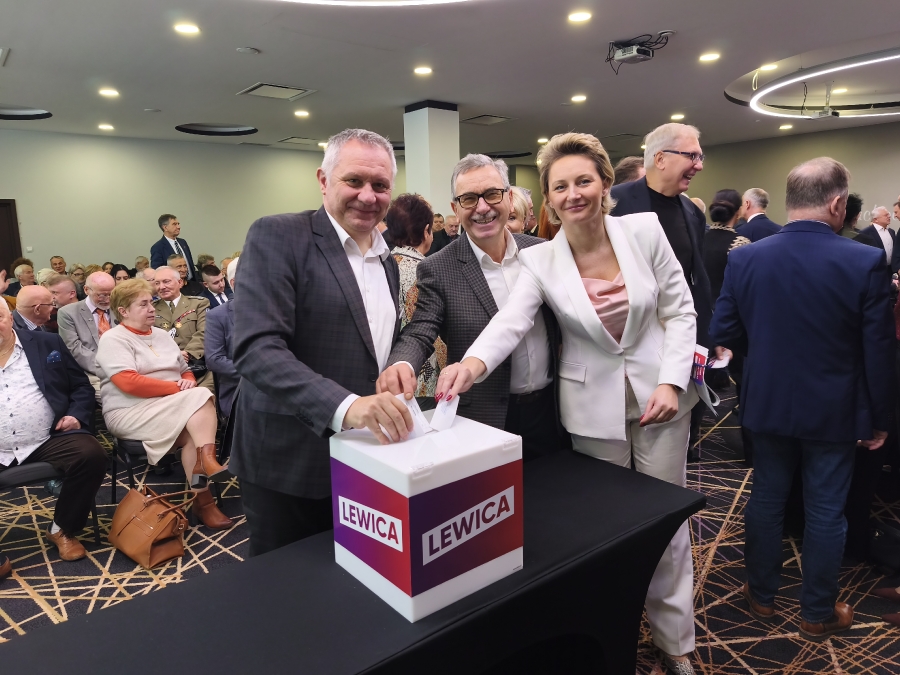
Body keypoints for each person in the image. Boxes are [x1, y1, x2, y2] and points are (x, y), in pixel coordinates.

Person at [436, 133, 700, 674]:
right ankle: (614, 630)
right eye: (560, 186)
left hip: (662, 400)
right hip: (591, 408)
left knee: (668, 522)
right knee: (609, 527)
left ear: (605, 183)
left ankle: (676, 641)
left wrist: (672, 382)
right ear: (548, 198)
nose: (573, 194)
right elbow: (509, 324)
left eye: (583, 181)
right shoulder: (541, 260)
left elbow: (680, 311)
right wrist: (471, 365)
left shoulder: (645, 232)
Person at [710, 157, 895, 641]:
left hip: (766, 400)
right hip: (835, 408)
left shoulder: (745, 258)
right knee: (826, 509)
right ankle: (817, 612)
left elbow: (724, 329)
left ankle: (760, 595)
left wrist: (766, 355)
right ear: (837, 203)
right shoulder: (864, 260)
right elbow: (877, 350)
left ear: (791, 201)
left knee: (766, 498)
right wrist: (880, 417)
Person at [232, 128, 413, 557]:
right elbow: (257, 349)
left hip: (366, 454)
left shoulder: (386, 259)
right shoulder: (279, 235)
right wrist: (348, 406)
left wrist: (395, 363)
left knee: (362, 572)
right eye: (354, 181)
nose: (368, 196)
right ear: (323, 180)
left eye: (380, 185)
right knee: (288, 585)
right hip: (290, 460)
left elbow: (372, 340)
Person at [377, 153, 562, 463]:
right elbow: (421, 329)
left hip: (550, 413)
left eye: (492, 194)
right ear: (456, 208)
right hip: (485, 418)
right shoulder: (439, 267)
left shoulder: (542, 251)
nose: (482, 207)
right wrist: (402, 364)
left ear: (508, 198)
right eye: (469, 199)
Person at [95, 279, 232, 530]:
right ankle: (208, 464)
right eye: (143, 304)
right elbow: (128, 383)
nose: (152, 309)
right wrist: (179, 388)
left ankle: (204, 500)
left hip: (172, 404)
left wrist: (188, 382)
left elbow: (184, 370)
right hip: (130, 411)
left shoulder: (160, 334)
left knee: (192, 436)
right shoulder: (113, 339)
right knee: (201, 396)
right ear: (123, 311)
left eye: (152, 302)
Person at [611, 123, 713, 459]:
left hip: (677, 341)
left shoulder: (691, 211)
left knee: (671, 451)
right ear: (660, 158)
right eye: (692, 156)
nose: (699, 165)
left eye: (700, 157)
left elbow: (695, 277)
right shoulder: (614, 202)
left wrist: (708, 333)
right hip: (625, 347)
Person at [0, 300, 107, 565]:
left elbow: (81, 386)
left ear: (10, 318)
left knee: (90, 455)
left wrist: (76, 415)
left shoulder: (46, 343)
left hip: (47, 437)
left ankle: (62, 528)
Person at [385, 194, 446, 398]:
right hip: (422, 375)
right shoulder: (426, 270)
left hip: (389, 372)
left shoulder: (383, 265)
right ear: (427, 231)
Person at [152, 267, 213, 393]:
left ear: (180, 282)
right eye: (157, 283)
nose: (161, 287)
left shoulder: (198, 304)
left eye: (166, 281)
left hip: (198, 367)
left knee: (204, 396)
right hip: (166, 370)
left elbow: (204, 332)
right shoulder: (151, 309)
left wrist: (187, 353)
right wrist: (174, 356)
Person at [57, 271, 118, 395]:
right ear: (86, 290)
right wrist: (108, 369)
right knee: (115, 396)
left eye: (111, 294)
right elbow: (74, 349)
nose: (107, 299)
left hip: (125, 367)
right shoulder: (68, 313)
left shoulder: (119, 308)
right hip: (92, 372)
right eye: (101, 295)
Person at [703, 189, 751, 304]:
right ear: (738, 211)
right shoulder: (740, 243)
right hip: (726, 307)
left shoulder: (697, 239)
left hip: (698, 307)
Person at [205, 258, 240, 418]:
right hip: (239, 389)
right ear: (234, 282)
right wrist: (255, 373)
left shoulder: (275, 310)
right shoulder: (218, 316)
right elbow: (214, 359)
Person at [150, 214, 197, 282]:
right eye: (174, 224)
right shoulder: (158, 247)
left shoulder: (183, 242)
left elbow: (190, 263)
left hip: (191, 283)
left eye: (178, 224)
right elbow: (157, 270)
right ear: (165, 227)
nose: (178, 227)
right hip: (174, 284)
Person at [856, 206, 897, 270]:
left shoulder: (892, 231)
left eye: (888, 214)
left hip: (891, 270)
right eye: (886, 215)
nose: (889, 216)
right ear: (876, 219)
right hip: (875, 270)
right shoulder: (865, 233)